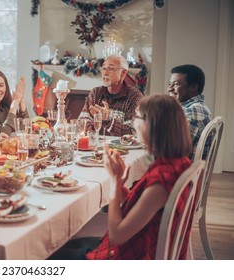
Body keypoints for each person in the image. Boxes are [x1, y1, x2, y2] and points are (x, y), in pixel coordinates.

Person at [84, 95, 193, 259]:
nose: (134, 123)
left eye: (137, 117)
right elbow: (146, 206)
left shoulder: (161, 181)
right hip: (142, 242)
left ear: (153, 126)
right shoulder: (178, 164)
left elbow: (117, 235)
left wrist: (113, 183)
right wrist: (122, 186)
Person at [78, 55, 143, 136]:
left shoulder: (135, 96)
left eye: (111, 68)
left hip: (121, 148)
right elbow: (81, 123)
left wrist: (109, 120)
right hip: (97, 146)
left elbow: (133, 132)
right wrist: (92, 121)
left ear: (123, 73)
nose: (105, 73)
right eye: (104, 68)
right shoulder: (95, 93)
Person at [168, 64, 212, 159]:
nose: (169, 88)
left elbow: (175, 152)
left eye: (176, 84)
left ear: (194, 87)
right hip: (189, 168)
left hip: (184, 171)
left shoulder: (192, 112)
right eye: (169, 83)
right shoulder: (196, 107)